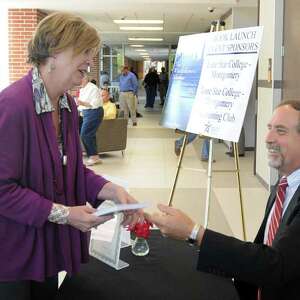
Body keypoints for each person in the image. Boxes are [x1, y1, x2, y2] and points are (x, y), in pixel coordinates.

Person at [0, 12, 142, 300]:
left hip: (47, 245)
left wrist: (111, 190)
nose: (90, 64)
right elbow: (3, 190)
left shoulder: (66, 104)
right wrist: (64, 214)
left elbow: (72, 169)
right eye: (84, 54)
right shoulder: (12, 106)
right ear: (54, 52)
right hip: (13, 249)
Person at [148, 100, 300, 300]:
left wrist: (194, 232)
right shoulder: (282, 186)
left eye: (280, 131)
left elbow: (275, 265)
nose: (268, 138)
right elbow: (263, 252)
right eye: (269, 128)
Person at [77, 73, 104, 166]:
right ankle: (95, 156)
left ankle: (93, 156)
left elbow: (94, 104)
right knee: (90, 135)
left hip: (94, 112)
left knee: (85, 135)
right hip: (85, 113)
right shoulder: (82, 89)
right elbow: (80, 105)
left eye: (80, 78)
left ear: (85, 78)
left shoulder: (93, 88)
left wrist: (81, 103)